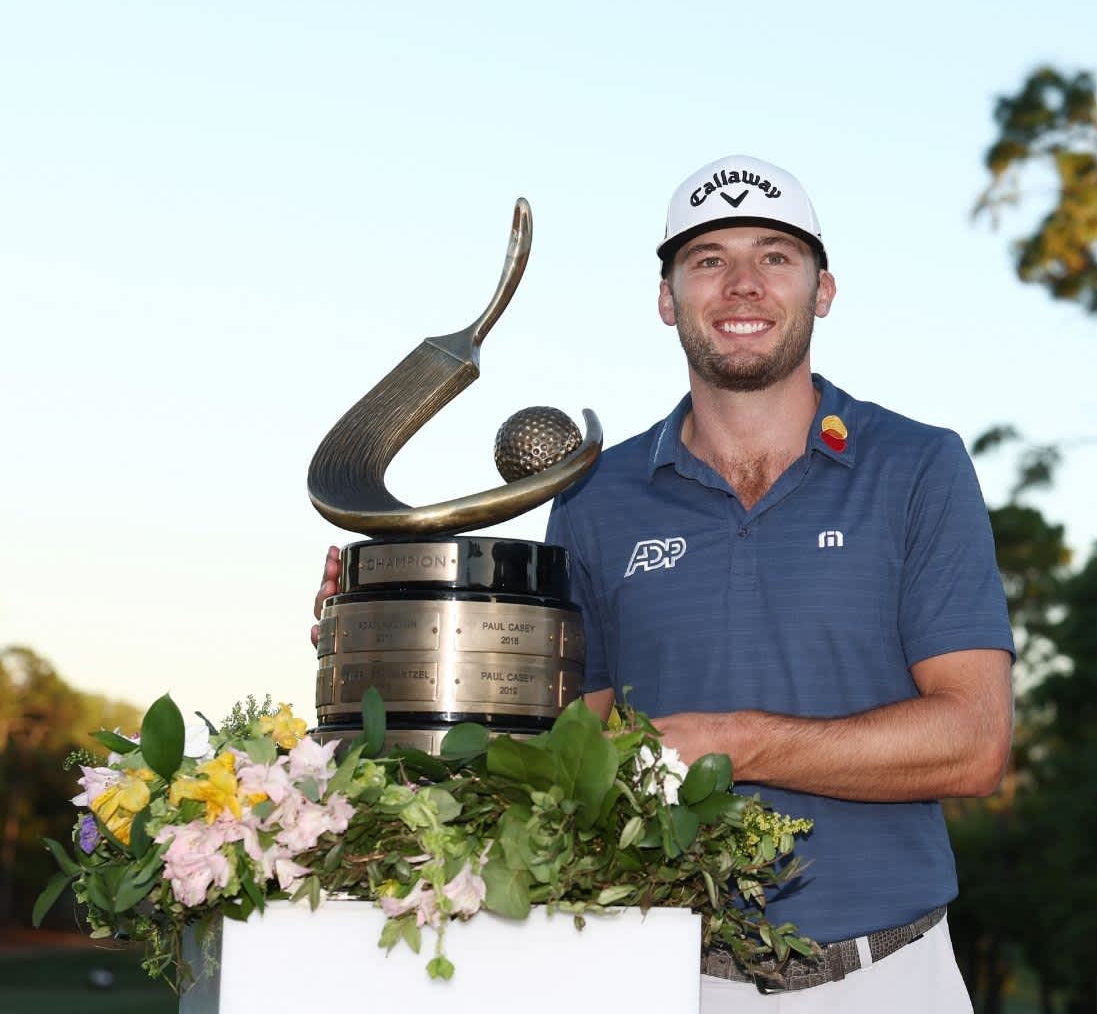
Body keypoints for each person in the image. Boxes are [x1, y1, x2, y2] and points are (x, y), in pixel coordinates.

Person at [314, 155, 1014, 1012]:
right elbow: (562, 756)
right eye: (710, 261)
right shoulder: (596, 495)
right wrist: (405, 638)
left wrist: (740, 740)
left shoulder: (917, 466)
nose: (743, 286)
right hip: (665, 977)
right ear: (667, 299)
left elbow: (974, 741)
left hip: (891, 975)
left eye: (775, 258)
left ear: (823, 290)